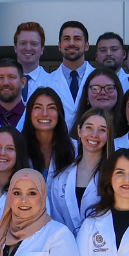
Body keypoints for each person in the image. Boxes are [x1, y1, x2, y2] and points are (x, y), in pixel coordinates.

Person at [19, 88, 80, 227]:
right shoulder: (18, 148)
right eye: (38, 107)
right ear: (29, 113)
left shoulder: (76, 149)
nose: (44, 113)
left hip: (67, 229)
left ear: (59, 113)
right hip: (26, 229)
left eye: (51, 108)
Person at [53, 22, 95, 123]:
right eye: (66, 39)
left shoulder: (100, 79)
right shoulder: (45, 82)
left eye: (77, 38)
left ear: (87, 46)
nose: (71, 43)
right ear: (59, 46)